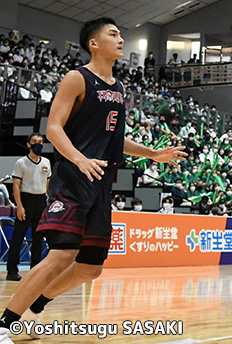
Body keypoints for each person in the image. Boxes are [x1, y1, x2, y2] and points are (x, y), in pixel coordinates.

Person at [0, 18, 186, 343]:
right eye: (113, 34)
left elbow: (116, 138)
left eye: (121, 34)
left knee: (90, 267)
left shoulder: (119, 88)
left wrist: (152, 154)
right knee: (61, 255)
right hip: (73, 177)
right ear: (93, 43)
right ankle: (5, 323)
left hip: (101, 182)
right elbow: (53, 128)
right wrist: (79, 158)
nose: (121, 39)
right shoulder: (77, 78)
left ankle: (38, 303)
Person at [6, 134, 51, 281]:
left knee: (39, 238)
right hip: (26, 200)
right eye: (35, 142)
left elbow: (47, 183)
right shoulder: (21, 163)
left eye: (41, 142)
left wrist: (47, 202)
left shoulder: (46, 162)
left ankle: (35, 269)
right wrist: (19, 206)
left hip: (41, 201)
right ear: (28, 145)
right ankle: (12, 270)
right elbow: (16, 186)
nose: (38, 144)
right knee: (18, 237)